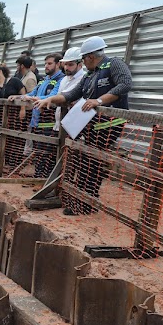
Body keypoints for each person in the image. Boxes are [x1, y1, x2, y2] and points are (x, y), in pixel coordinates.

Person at [37, 36, 133, 215]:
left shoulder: (114, 64)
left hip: (110, 124)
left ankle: (86, 204)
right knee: (86, 161)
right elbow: (70, 95)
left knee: (92, 162)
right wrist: (51, 99)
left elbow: (125, 85)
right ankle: (83, 200)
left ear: (89, 57)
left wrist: (98, 100)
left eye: (83, 59)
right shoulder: (89, 75)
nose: (83, 62)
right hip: (92, 125)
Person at [13, 53, 64, 178]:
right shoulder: (44, 80)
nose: (46, 66)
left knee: (48, 154)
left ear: (58, 64)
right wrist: (19, 96)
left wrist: (34, 98)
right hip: (37, 122)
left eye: (50, 63)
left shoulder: (61, 80)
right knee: (39, 151)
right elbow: (32, 93)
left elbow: (52, 96)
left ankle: (45, 180)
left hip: (50, 123)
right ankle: (38, 177)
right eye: (45, 63)